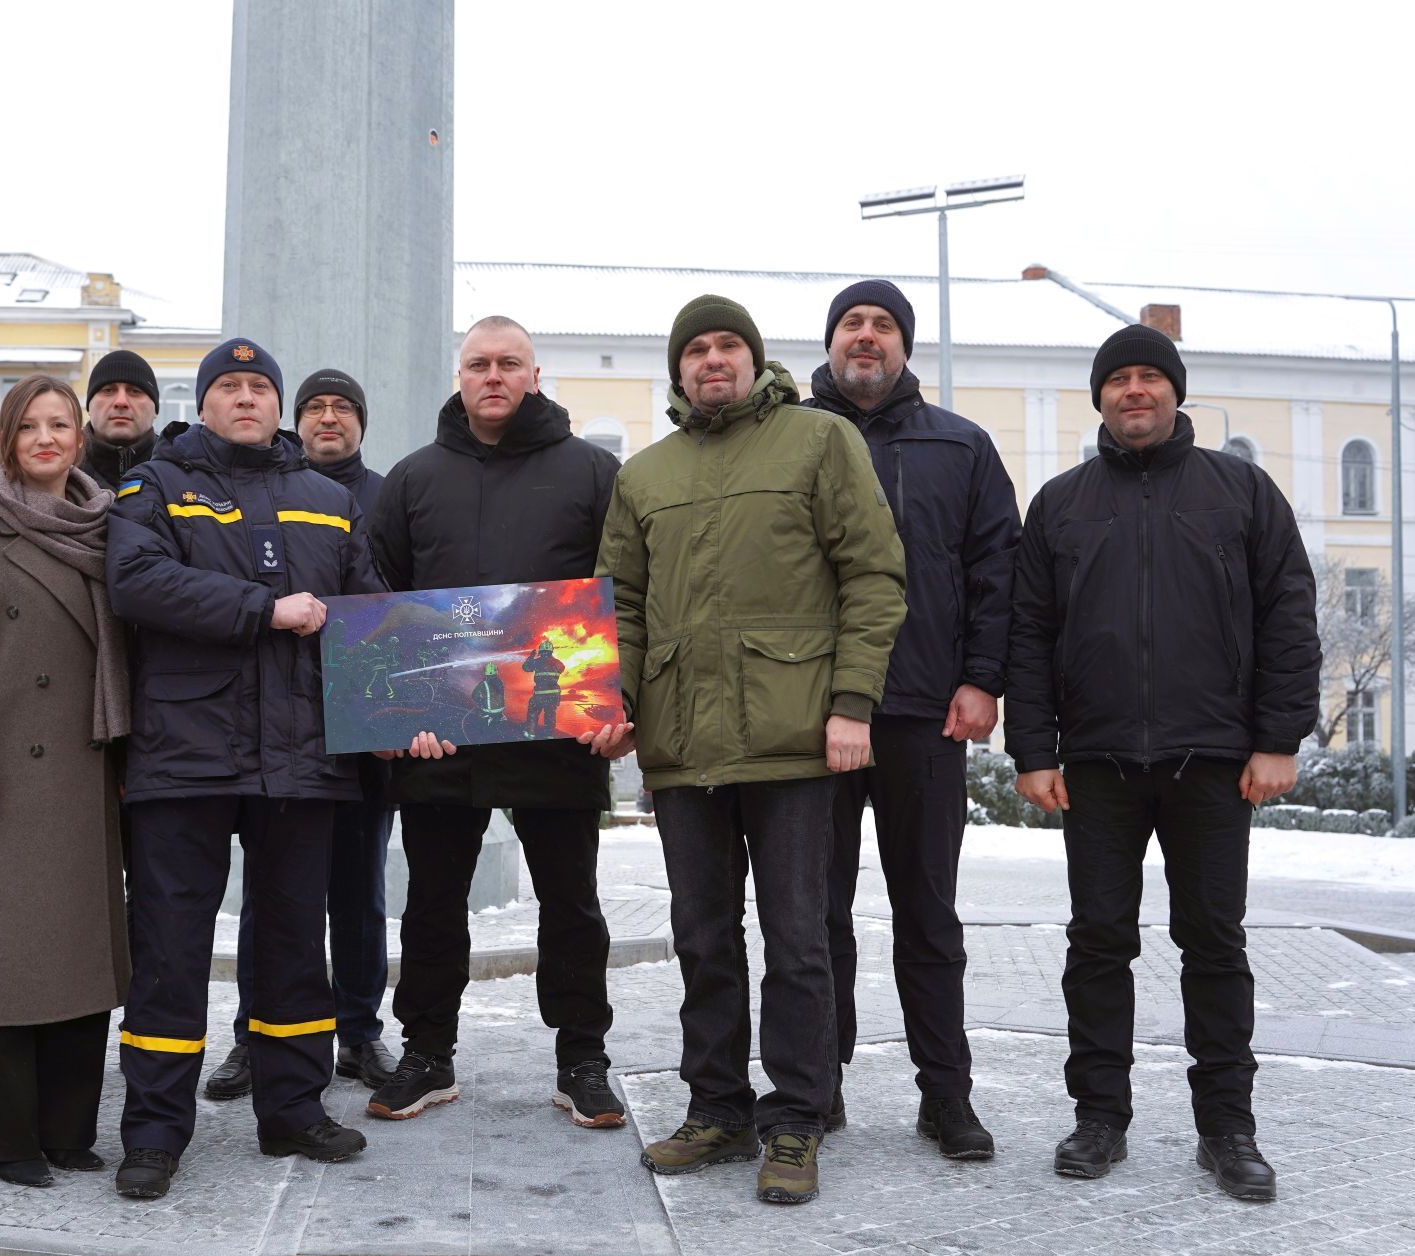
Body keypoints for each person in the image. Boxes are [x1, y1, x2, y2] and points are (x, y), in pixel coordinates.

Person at [592, 295, 905, 1205]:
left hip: (797, 739)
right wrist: (612, 699)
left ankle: (799, 1118)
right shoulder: (645, 474)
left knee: (797, 940)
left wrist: (851, 703)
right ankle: (718, 1108)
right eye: (695, 349)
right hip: (684, 746)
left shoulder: (816, 442)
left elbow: (873, 575)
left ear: (754, 358)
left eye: (727, 344)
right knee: (700, 937)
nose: (712, 360)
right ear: (677, 371)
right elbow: (621, 606)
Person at [1005, 323, 1320, 1202]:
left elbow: (1289, 616)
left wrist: (1277, 738)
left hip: (1216, 762)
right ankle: (1098, 1115)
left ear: (1174, 392)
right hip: (1097, 763)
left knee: (1213, 945)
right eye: (1118, 379)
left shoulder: (1241, 493)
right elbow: (1027, 636)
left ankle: (1227, 1128)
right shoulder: (1061, 504)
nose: (1133, 391)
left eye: (1149, 377)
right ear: (1099, 397)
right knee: (1097, 943)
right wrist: (1033, 750)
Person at [105, 338, 383, 1200]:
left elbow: (368, 619)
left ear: (279, 405)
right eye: (229, 386)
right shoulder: (153, 485)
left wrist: (409, 715)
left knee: (295, 945)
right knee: (169, 951)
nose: (247, 398)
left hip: (299, 764)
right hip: (184, 756)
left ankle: (292, 1110)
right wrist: (263, 609)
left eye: (260, 386)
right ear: (206, 402)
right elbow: (138, 582)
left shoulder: (327, 500)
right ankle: (154, 1131)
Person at [365, 316, 624, 1131]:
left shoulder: (594, 474)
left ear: (534, 374)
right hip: (442, 737)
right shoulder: (412, 479)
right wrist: (399, 714)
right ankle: (427, 1053)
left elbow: (627, 594)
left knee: (570, 904)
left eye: (509, 363)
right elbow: (383, 605)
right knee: (433, 903)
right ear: (460, 375)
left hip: (557, 731)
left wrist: (622, 708)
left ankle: (582, 1057)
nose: (493, 376)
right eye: (478, 363)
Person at [804, 279, 1020, 1160]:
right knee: (813, 916)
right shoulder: (790, 440)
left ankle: (945, 1096)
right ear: (827, 345)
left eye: (881, 325)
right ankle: (817, 1087)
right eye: (850, 324)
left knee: (927, 914)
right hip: (812, 716)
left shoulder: (959, 447)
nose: (865, 336)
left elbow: (996, 573)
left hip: (925, 714)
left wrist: (981, 679)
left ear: (904, 347)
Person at [0, 375, 129, 1188]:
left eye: (61, 425)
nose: (47, 438)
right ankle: (1, 1137)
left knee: (76, 956)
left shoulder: (109, 528)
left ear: (81, 437)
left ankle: (66, 1129)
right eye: (30, 426)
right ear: (6, 439)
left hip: (83, 767)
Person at [207, 368, 400, 1103]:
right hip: (278, 733)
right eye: (315, 406)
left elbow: (398, 603)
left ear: (360, 423)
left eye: (342, 407)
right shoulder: (264, 492)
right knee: (273, 894)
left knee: (359, 890)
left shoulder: (386, 496)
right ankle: (254, 1037)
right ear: (295, 420)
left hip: (361, 730)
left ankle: (358, 1032)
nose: (328, 418)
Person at [81, 350, 160, 492]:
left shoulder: (182, 471)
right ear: (89, 407)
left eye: (135, 391)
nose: (121, 402)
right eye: (108, 390)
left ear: (155, 409)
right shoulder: (61, 470)